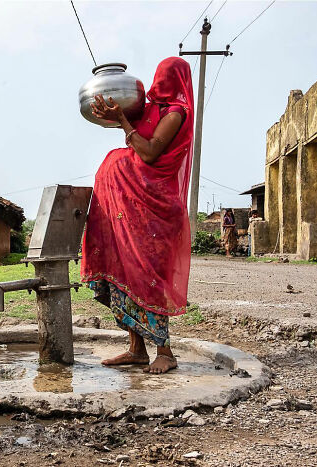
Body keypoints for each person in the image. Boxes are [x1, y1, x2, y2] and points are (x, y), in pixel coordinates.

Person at [81, 57, 194, 375]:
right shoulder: (152, 111)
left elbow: (149, 152)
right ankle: (136, 350)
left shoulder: (175, 112)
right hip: (128, 208)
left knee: (147, 277)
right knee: (124, 272)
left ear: (176, 80)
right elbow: (133, 132)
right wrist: (116, 117)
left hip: (153, 208)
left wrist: (126, 125)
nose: (157, 82)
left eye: (164, 76)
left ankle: (166, 353)